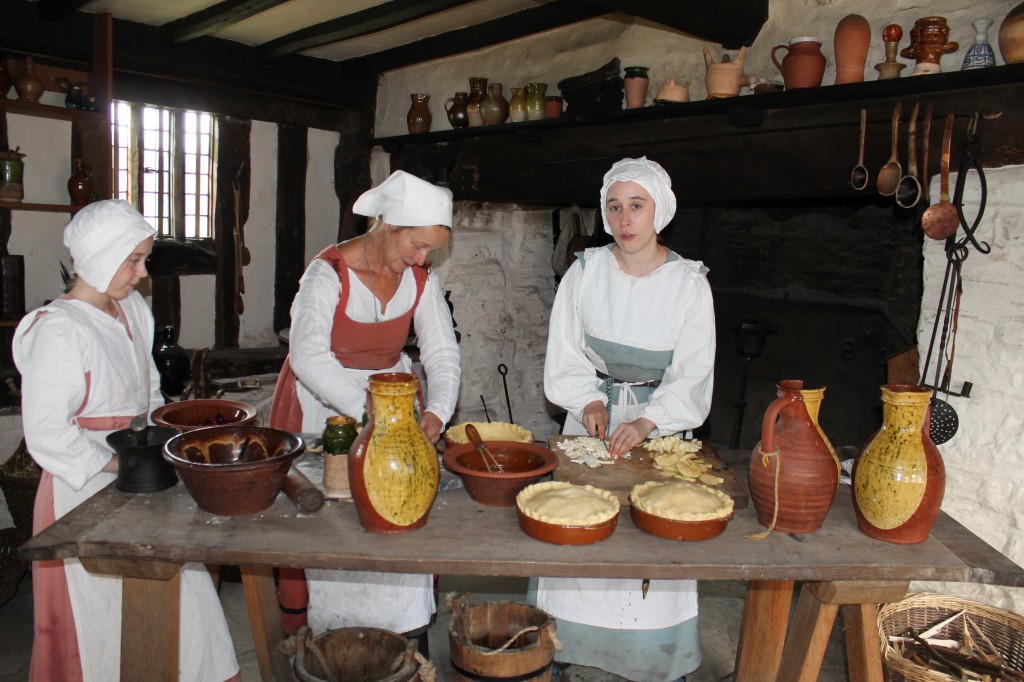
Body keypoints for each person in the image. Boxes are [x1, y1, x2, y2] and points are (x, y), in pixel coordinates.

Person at [13, 200, 239, 682]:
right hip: (86, 490)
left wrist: (169, 435)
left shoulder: (132, 310)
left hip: (144, 478)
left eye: (144, 259)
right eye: (132, 260)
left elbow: (148, 391)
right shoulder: (60, 330)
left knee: (187, 605)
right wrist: (124, 465)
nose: (141, 273)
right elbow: (48, 433)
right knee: (105, 625)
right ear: (97, 256)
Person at [538, 157, 716, 681]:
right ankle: (567, 641)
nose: (625, 219)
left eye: (636, 206)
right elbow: (565, 352)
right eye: (614, 207)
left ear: (659, 210)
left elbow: (693, 374)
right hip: (591, 422)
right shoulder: (586, 271)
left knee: (651, 537)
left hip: (659, 432)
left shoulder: (688, 284)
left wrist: (648, 422)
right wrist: (588, 401)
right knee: (580, 523)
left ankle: (654, 655)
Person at [269, 170, 461, 642]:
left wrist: (435, 409)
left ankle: (401, 629)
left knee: (399, 505)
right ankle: (331, 633)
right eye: (416, 246)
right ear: (387, 226)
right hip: (326, 404)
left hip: (395, 398)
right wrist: (368, 412)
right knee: (332, 520)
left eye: (430, 251)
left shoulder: (421, 278)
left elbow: (441, 351)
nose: (422, 258)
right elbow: (308, 355)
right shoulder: (328, 273)